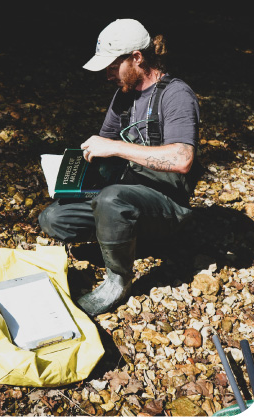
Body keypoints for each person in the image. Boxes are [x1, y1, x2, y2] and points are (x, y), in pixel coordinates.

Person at [39, 18, 200, 316]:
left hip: (168, 204)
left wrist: (114, 147)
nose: (108, 75)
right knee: (54, 218)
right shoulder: (124, 95)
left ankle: (118, 281)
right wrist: (74, 173)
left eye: (113, 67)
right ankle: (130, 241)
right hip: (127, 193)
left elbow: (182, 159)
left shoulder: (176, 95)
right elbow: (106, 149)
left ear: (136, 58)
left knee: (112, 200)